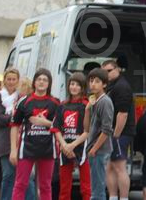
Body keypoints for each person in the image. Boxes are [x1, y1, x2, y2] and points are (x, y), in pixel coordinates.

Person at [10, 68, 60, 200]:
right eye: (39, 79)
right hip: (27, 149)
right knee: (20, 184)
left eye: (45, 80)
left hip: (48, 149)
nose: (42, 82)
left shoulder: (55, 102)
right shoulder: (25, 101)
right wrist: (13, 150)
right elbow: (14, 126)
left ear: (49, 83)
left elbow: (61, 127)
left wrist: (45, 123)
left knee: (45, 186)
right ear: (34, 82)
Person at [0, 67, 32, 200]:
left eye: (14, 79)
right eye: (8, 79)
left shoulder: (21, 96)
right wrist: (15, 118)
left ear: (17, 81)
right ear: (4, 80)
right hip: (5, 140)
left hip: (21, 139)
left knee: (25, 176)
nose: (11, 82)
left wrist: (12, 117)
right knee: (8, 174)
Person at [102, 60, 135, 200]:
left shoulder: (121, 87)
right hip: (113, 133)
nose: (106, 74)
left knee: (120, 167)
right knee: (110, 167)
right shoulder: (112, 86)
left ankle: (123, 198)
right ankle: (113, 197)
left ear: (118, 69)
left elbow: (123, 114)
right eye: (104, 71)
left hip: (120, 133)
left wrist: (115, 135)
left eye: (109, 71)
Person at [54, 72, 90, 200]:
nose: (74, 87)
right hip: (65, 148)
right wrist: (64, 145)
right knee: (64, 188)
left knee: (86, 188)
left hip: (82, 148)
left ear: (82, 87)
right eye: (72, 84)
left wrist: (73, 145)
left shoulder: (87, 105)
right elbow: (56, 128)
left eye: (77, 85)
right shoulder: (62, 105)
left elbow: (88, 130)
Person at [86, 67, 114, 200]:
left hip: (99, 150)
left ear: (104, 84)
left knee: (98, 191)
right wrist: (87, 109)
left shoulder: (105, 102)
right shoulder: (94, 101)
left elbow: (107, 129)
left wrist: (94, 149)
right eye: (91, 81)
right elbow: (87, 128)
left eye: (97, 81)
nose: (93, 84)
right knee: (95, 188)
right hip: (93, 149)